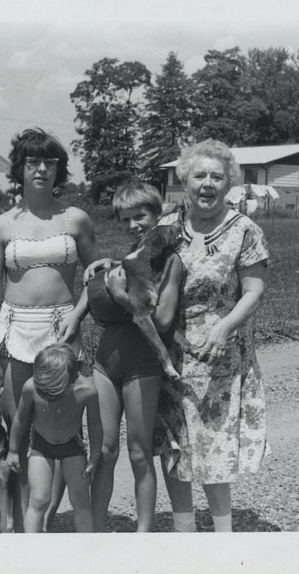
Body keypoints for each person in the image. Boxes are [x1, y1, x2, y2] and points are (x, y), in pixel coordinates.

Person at [0, 128, 99, 532]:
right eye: (33, 162)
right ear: (18, 169)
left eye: (50, 163)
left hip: (63, 331)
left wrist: (78, 316)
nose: (41, 169)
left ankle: (50, 517)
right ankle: (20, 529)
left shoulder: (76, 219)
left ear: (59, 170)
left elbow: (97, 277)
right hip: (16, 332)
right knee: (20, 433)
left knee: (60, 430)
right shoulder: (1, 225)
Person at [154, 139, 270, 533]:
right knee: (175, 445)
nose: (207, 184)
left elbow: (253, 290)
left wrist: (225, 326)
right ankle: (184, 533)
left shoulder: (244, 230)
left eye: (216, 177)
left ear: (229, 184)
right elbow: (138, 274)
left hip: (220, 355)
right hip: (170, 355)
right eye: (199, 175)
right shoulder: (166, 228)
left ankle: (224, 537)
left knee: (214, 445)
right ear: (184, 180)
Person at [83, 182, 183, 532]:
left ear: (157, 216)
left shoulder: (171, 262)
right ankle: (93, 533)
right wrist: (105, 267)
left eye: (140, 216)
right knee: (103, 452)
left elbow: (163, 320)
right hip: (105, 361)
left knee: (139, 454)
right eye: (125, 219)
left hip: (142, 365)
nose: (132, 225)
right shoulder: (128, 258)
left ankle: (143, 536)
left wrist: (118, 295)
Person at [7, 343, 102, 532]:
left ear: (72, 378)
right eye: (45, 392)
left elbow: (95, 424)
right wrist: (12, 450)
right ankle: (32, 550)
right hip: (41, 445)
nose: (48, 396)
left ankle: (89, 549)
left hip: (72, 445)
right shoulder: (31, 387)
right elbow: (19, 419)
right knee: (39, 499)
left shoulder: (87, 390)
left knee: (81, 500)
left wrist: (95, 454)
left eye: (53, 392)